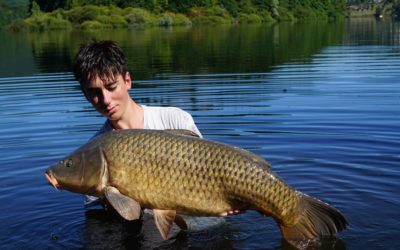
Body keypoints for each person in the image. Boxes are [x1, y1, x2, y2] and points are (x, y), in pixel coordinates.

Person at [72, 40, 202, 207]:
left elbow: (207, 171)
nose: (106, 100)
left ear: (127, 81)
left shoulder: (176, 119)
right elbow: (97, 219)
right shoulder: (92, 156)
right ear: (85, 95)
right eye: (94, 92)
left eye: (111, 87)